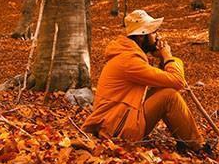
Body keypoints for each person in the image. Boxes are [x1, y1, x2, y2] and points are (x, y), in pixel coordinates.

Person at [82, 9, 211, 155]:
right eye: (154, 32)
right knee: (169, 96)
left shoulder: (128, 55)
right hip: (118, 131)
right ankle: (197, 146)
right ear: (142, 35)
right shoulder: (129, 61)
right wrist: (168, 56)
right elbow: (178, 81)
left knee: (163, 91)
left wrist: (163, 59)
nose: (158, 37)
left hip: (116, 123)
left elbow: (164, 81)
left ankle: (187, 141)